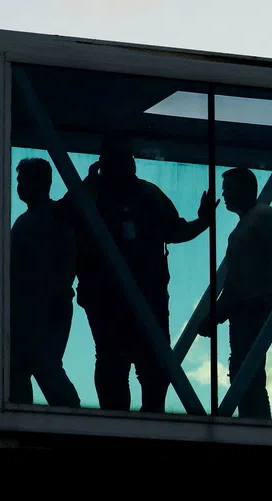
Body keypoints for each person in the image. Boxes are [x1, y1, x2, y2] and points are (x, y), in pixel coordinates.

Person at [73, 137, 214, 413]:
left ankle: (128, 421)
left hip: (119, 295)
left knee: (127, 363)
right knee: (136, 363)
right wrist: (203, 222)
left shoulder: (101, 195)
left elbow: (174, 230)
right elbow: (175, 231)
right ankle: (140, 421)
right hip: (125, 295)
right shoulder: (133, 195)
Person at [199, 168, 272, 419]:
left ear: (247, 189)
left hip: (251, 307)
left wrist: (216, 314)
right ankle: (256, 423)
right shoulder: (261, 219)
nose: (224, 194)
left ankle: (255, 425)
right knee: (249, 372)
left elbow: (241, 281)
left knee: (246, 372)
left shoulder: (255, 222)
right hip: (254, 306)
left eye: (229, 187)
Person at [10, 158, 80, 408]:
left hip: (48, 305)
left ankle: (70, 418)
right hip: (28, 308)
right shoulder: (27, 220)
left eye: (24, 180)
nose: (19, 186)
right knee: (20, 367)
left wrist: (57, 295)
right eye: (18, 181)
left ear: (41, 183)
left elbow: (65, 260)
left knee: (44, 364)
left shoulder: (55, 216)